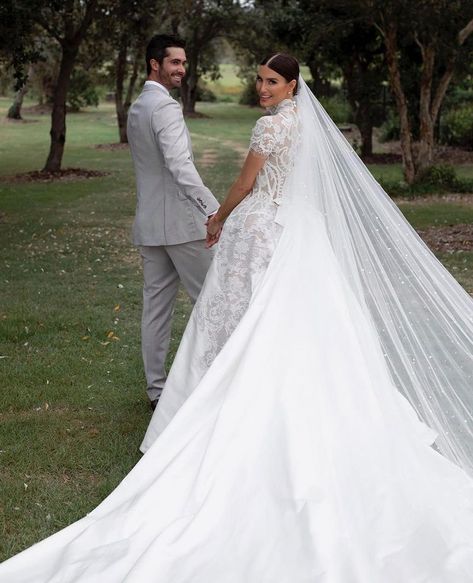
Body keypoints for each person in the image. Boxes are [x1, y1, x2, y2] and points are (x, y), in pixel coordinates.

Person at [2, 53, 473, 582]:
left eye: (272, 81)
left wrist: (219, 217)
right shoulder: (308, 128)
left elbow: (247, 183)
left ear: (293, 85)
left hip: (262, 232)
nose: (262, 88)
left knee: (249, 322)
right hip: (300, 233)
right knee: (298, 324)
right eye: (260, 80)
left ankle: (231, 402)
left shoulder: (270, 127)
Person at [127, 34, 219, 410]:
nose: (182, 68)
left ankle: (157, 391)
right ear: (155, 64)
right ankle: (212, 383)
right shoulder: (164, 108)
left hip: (151, 225)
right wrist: (213, 210)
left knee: (156, 308)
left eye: (183, 62)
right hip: (182, 227)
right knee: (212, 299)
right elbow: (179, 166)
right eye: (174, 62)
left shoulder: (138, 106)